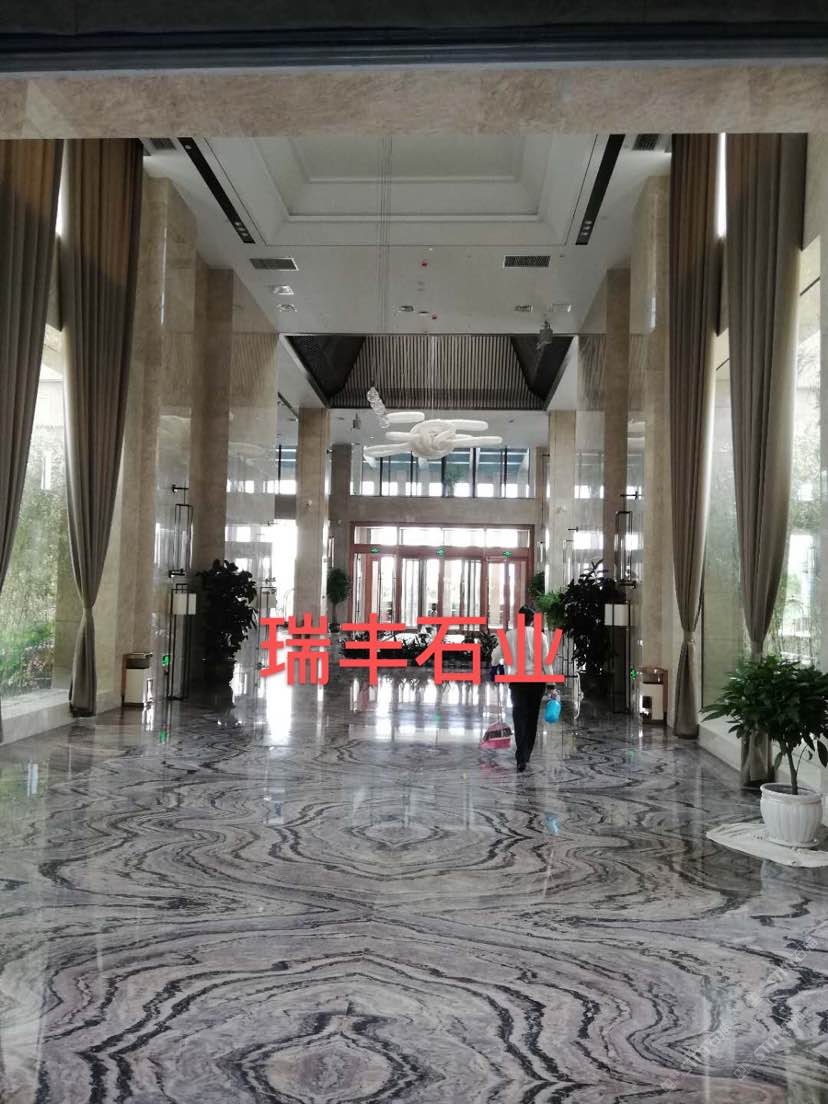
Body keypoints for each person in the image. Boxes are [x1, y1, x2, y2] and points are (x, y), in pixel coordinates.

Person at [490, 605, 554, 773]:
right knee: (532, 718)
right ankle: (526, 755)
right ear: (532, 621)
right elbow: (546, 662)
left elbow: (496, 655)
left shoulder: (510, 635)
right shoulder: (540, 636)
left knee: (519, 717)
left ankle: (520, 757)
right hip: (537, 683)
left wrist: (494, 666)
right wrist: (551, 685)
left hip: (517, 683)